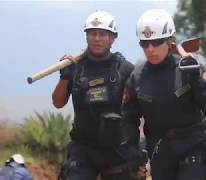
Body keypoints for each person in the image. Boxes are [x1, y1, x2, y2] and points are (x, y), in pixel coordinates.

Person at [122, 9, 206, 180]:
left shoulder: (189, 68)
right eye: (144, 43)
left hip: (192, 147)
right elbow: (128, 119)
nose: (150, 49)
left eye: (156, 42)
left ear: (169, 41)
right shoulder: (136, 77)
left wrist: (196, 77)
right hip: (160, 152)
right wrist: (133, 151)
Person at [52, 11, 145, 180]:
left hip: (117, 149)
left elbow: (141, 111)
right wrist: (64, 77)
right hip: (83, 148)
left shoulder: (125, 70)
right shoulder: (76, 67)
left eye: (102, 34)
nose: (97, 39)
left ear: (112, 38)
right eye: (92, 34)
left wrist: (137, 151)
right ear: (86, 36)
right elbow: (58, 103)